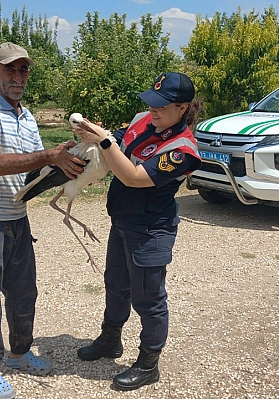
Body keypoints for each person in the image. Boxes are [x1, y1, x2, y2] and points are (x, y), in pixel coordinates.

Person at [0, 42, 85, 399]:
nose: (17, 76)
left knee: (23, 292)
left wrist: (76, 153)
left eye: (23, 69)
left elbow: (35, 168)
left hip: (17, 218)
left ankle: (18, 353)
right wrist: (49, 155)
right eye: (10, 69)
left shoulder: (26, 116)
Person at [73, 72, 203, 391]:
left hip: (150, 230)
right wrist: (92, 136)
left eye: (161, 105)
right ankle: (110, 339)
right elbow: (116, 142)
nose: (152, 110)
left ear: (183, 108)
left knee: (149, 299)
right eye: (151, 102)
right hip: (122, 221)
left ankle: (148, 363)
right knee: (115, 284)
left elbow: (132, 176)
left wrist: (103, 141)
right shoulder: (144, 121)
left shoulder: (182, 150)